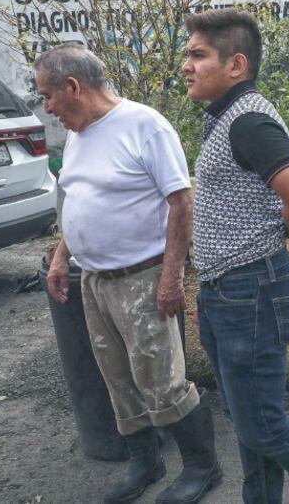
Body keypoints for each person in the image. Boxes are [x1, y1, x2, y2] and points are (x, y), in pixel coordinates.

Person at [39, 43, 221, 504]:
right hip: (95, 281)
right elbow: (78, 199)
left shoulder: (144, 125)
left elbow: (181, 202)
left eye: (48, 95)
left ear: (73, 87)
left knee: (164, 380)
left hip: (143, 277)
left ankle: (203, 468)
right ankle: (146, 461)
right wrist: (63, 257)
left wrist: (172, 278)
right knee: (118, 379)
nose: (46, 107)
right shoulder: (79, 133)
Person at [182, 8, 289, 504]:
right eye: (187, 53)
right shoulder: (227, 117)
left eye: (197, 54)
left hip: (249, 290)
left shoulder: (249, 120)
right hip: (226, 291)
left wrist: (274, 235)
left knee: (263, 425)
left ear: (236, 64)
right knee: (247, 418)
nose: (185, 64)